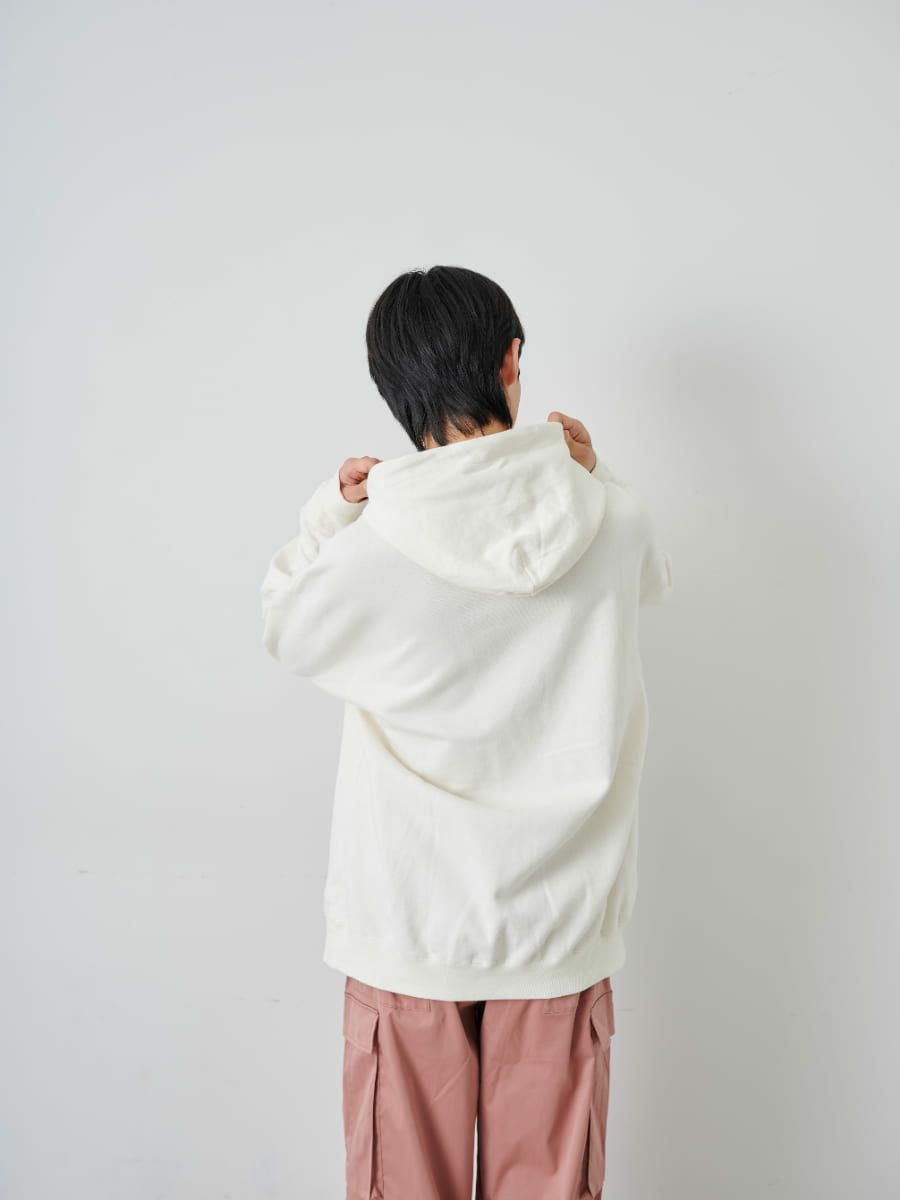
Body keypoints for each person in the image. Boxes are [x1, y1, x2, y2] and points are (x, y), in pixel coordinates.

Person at [259, 265, 673, 1200]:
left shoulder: (372, 547)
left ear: (394, 390)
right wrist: (596, 472)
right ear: (510, 360)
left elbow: (284, 622)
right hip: (562, 928)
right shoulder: (607, 519)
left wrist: (332, 511)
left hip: (406, 924)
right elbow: (651, 573)